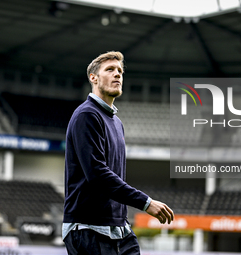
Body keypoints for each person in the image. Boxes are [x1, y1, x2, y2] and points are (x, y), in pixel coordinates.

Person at [63, 51, 174, 255]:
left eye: (120, 71)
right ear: (93, 78)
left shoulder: (116, 122)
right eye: (110, 70)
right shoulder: (87, 115)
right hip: (89, 228)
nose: (118, 75)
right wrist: (145, 202)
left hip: (119, 228)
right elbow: (97, 174)